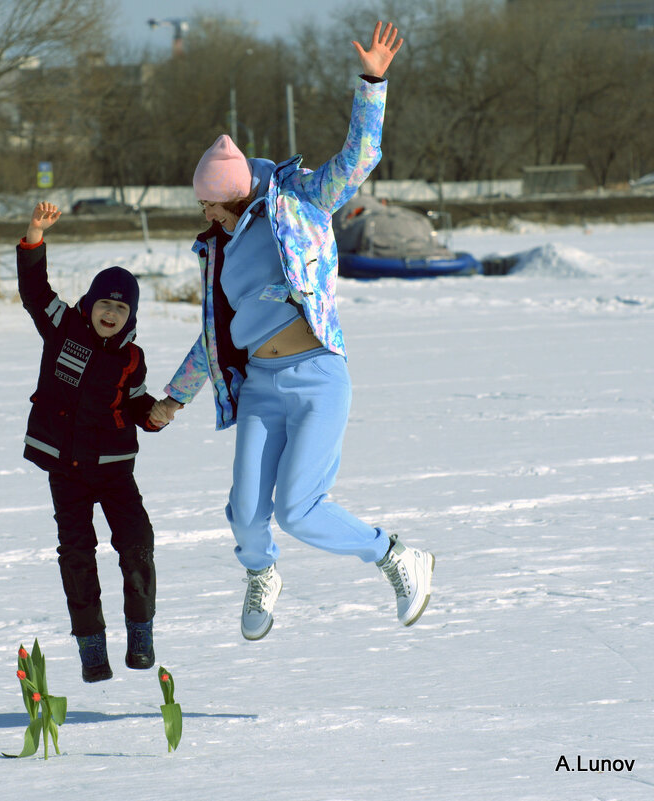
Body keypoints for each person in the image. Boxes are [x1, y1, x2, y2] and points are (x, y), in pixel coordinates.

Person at [149, 22, 434, 641]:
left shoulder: (299, 203)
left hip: (318, 377)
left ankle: (393, 554)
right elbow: (214, 338)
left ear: (233, 197)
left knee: (298, 510)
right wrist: (173, 398)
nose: (205, 217)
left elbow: (359, 158)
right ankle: (262, 573)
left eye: (210, 206)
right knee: (247, 515)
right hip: (261, 388)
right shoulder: (217, 253)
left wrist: (372, 84)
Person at [18, 201, 167, 682]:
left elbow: (137, 404)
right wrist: (35, 236)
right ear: (90, 303)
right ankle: (91, 647)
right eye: (105, 303)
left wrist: (156, 415)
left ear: (131, 317)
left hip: (115, 468)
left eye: (122, 308)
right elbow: (34, 289)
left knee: (137, 543)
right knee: (77, 555)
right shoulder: (64, 326)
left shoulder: (133, 358)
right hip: (67, 470)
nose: (111, 313)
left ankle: (140, 632)